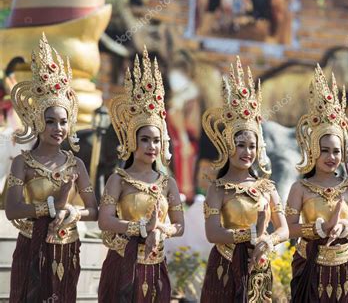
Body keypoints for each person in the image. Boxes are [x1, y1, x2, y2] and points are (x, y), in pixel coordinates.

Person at [5, 34, 98, 302]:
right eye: (50, 121)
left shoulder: (76, 164)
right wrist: (51, 206)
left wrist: (72, 210)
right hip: (31, 246)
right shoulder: (23, 162)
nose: (58, 128)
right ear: (37, 121)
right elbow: (12, 209)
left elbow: (94, 209)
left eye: (63, 122)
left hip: (66, 247)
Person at [98, 47, 184, 302]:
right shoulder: (119, 179)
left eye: (156, 140)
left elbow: (179, 225)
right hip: (122, 263)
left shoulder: (168, 183)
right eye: (144, 139)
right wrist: (140, 227)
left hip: (155, 263)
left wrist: (161, 231)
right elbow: (105, 221)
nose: (151, 146)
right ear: (132, 140)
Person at [200, 56, 289, 302]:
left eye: (252, 146)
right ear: (228, 145)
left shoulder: (267, 187)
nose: (247, 152)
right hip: (225, 265)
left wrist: (267, 241)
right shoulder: (217, 189)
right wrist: (252, 234)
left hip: (260, 262)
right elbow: (213, 233)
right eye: (240, 145)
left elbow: (284, 228)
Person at [286, 65, 348, 302]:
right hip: (308, 264)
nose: (331, 157)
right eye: (324, 150)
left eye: (336, 151)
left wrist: (347, 228)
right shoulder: (300, 188)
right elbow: (288, 228)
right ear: (312, 150)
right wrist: (315, 229)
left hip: (342, 266)